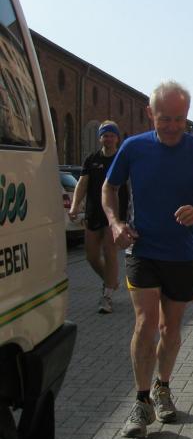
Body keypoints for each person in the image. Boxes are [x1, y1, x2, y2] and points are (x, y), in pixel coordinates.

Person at [102, 82, 193, 439]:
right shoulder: (133, 147)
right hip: (142, 249)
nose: (172, 126)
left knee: (169, 330)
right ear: (150, 114)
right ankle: (141, 401)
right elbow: (109, 188)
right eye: (164, 119)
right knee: (145, 323)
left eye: (179, 119)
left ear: (187, 116)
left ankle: (163, 387)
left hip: (182, 254)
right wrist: (115, 223)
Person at [69, 120, 129, 314]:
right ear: (100, 138)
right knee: (91, 256)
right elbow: (82, 184)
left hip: (115, 213)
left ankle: (107, 296)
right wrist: (75, 206)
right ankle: (111, 281)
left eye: (111, 135)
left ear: (117, 138)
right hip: (93, 211)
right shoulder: (92, 159)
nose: (108, 139)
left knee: (109, 251)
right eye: (105, 135)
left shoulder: (122, 158)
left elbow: (133, 185)